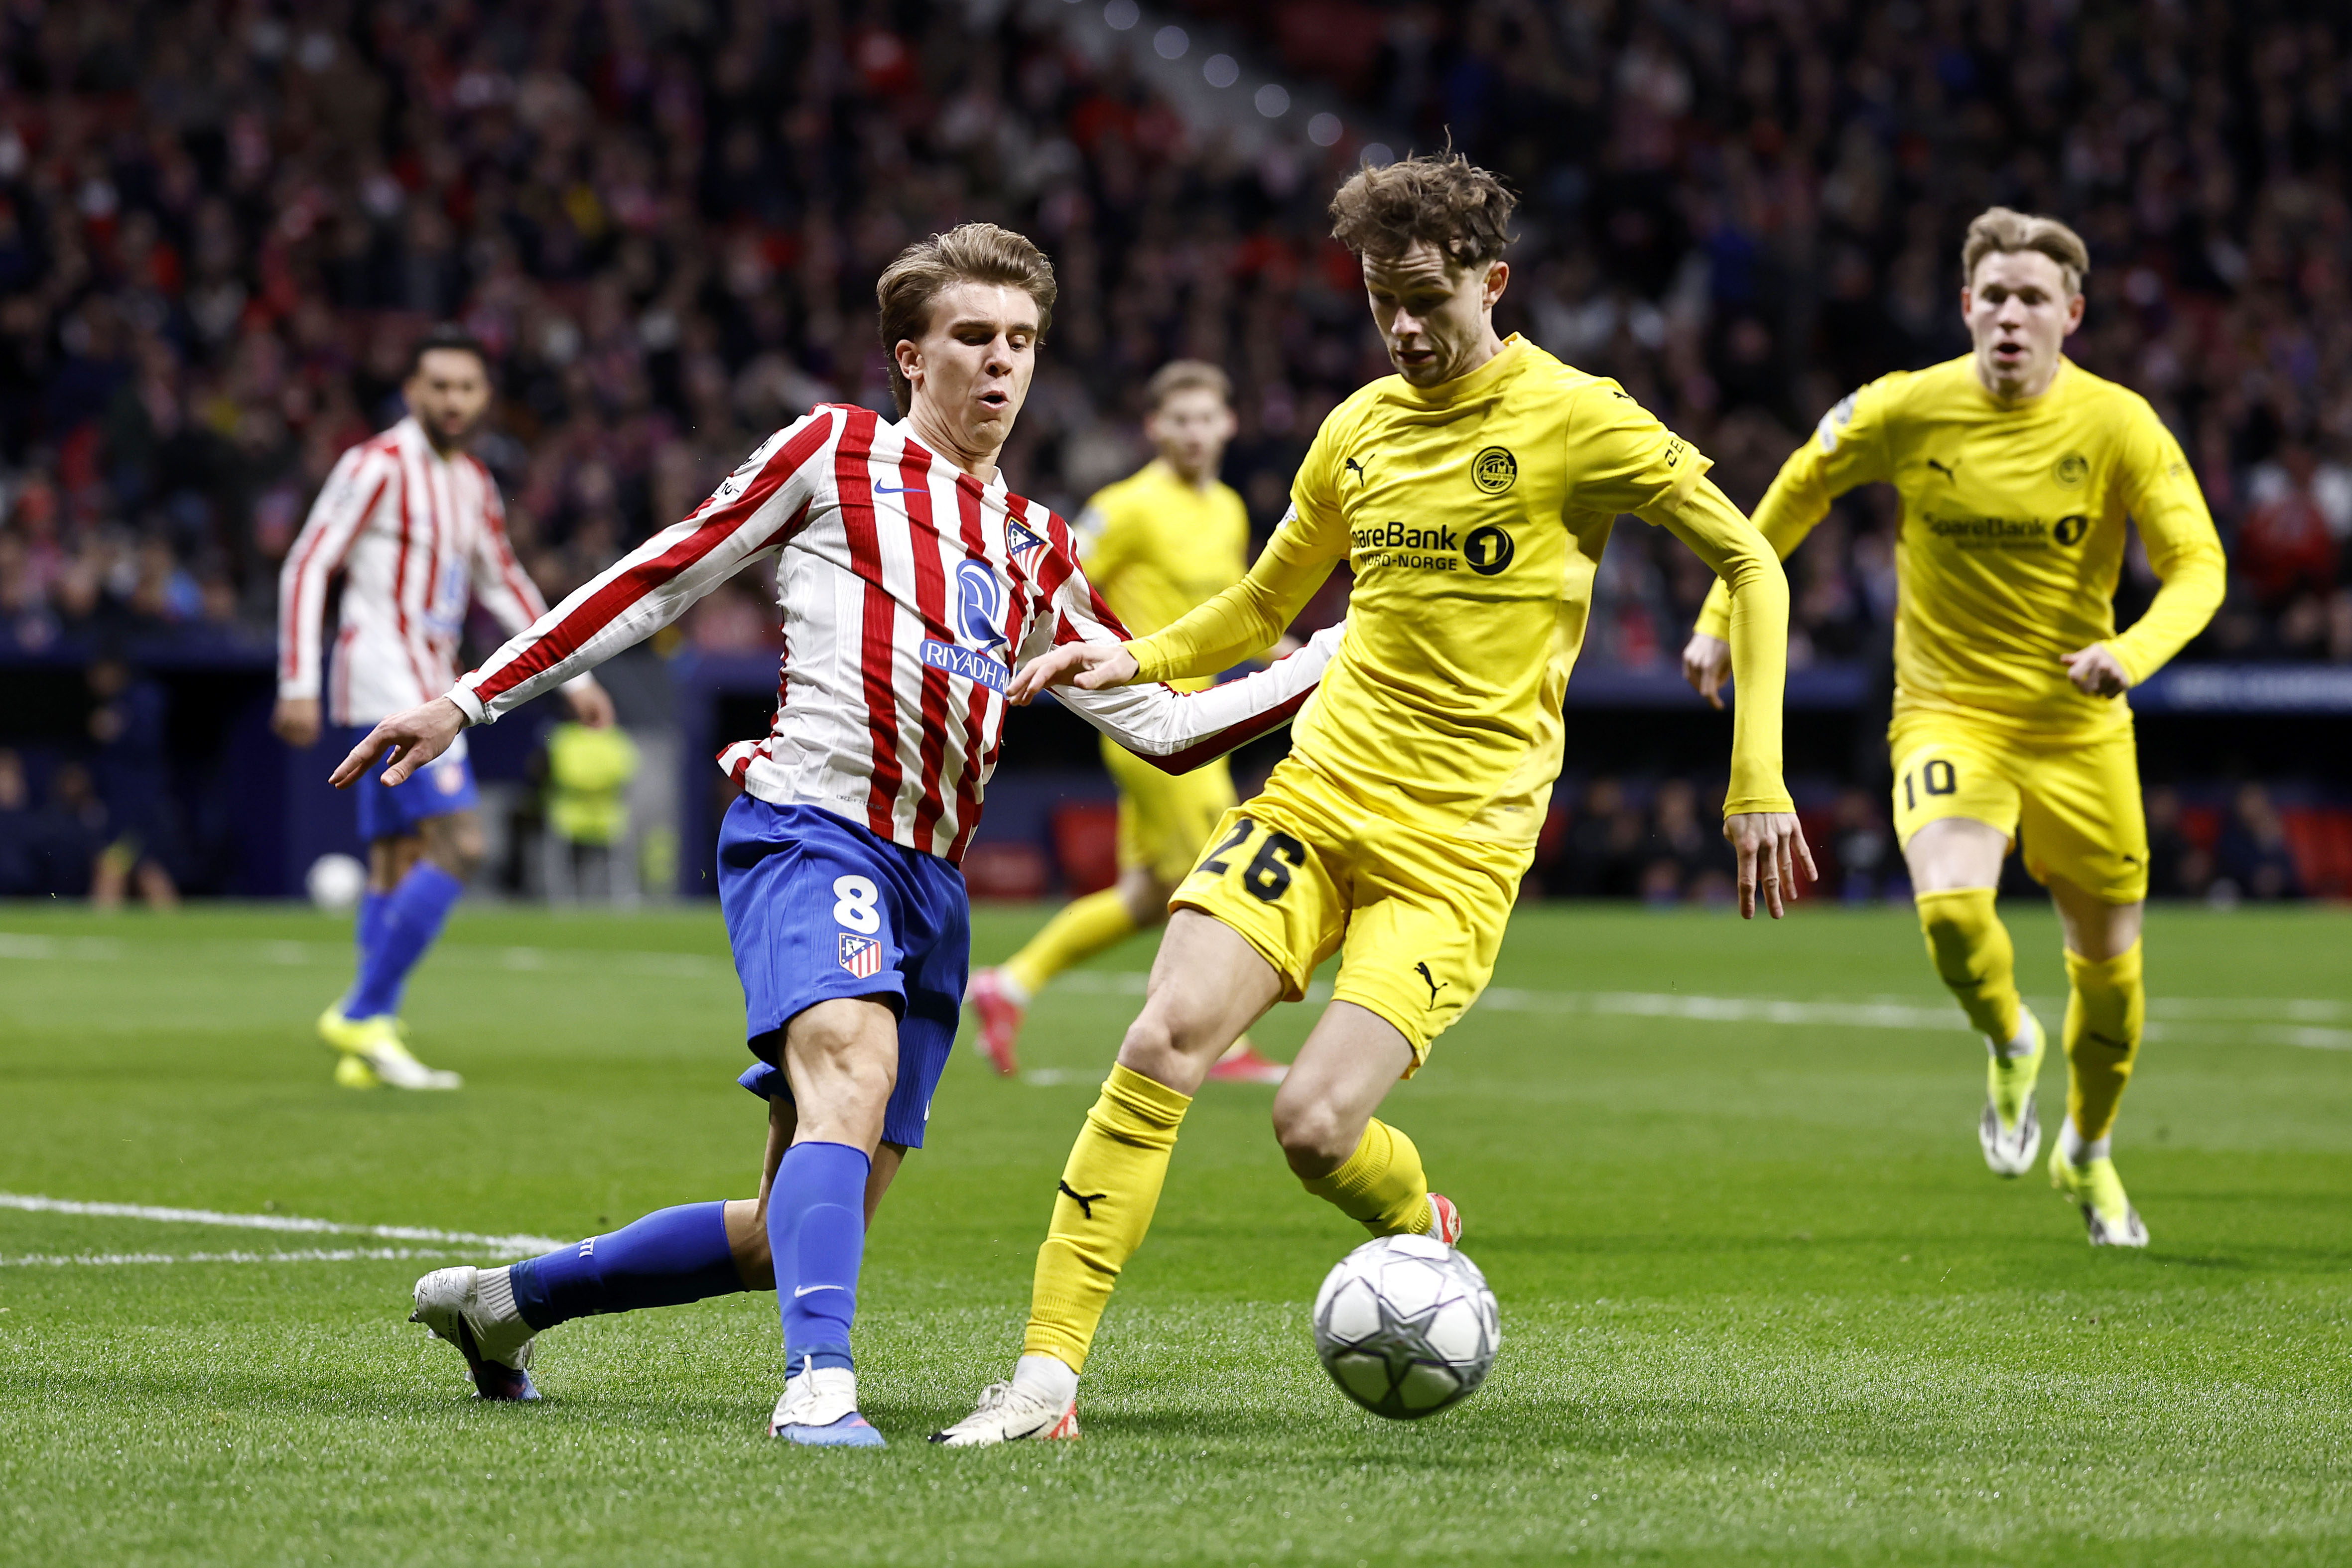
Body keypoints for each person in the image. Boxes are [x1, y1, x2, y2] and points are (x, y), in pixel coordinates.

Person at [332, 224, 1339, 1444]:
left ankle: (504, 1301)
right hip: (811, 826)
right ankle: (818, 1390)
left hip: (933, 882)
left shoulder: (1039, 545)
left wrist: (1335, 658)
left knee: (795, 1224)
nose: (1001, 365)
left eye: (1022, 341)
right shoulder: (836, 450)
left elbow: (1165, 725)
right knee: (848, 1075)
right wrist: (471, 696)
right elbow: (664, 571)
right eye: (974, 337)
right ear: (911, 356)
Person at [933, 152, 1810, 1446]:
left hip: (1456, 850)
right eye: (1376, 301)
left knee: (1311, 1121)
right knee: (1162, 1038)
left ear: (1491, 282)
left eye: (1424, 300)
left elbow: (1751, 559)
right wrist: (1137, 657)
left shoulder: (1581, 419)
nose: (1400, 328)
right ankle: (1045, 1379)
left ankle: (1419, 1226)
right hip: (1318, 798)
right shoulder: (1359, 427)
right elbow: (1261, 608)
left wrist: (1757, 777)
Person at [1682, 207, 2226, 1246]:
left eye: (2034, 298)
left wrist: (2133, 653)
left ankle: (2090, 1149)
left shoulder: (2121, 425)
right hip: (1946, 712)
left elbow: (2201, 567)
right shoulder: (1905, 407)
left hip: (2080, 728)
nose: (2012, 315)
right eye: (1995, 296)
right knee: (1949, 916)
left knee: (2111, 983)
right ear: (1965, 306)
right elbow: (1798, 488)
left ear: (2073, 313)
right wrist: (1719, 612)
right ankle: (2010, 1036)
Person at [275, 324, 616, 1090]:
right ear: (413, 393)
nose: (454, 401)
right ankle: (364, 1009)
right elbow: (308, 563)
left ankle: (372, 1038)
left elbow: (503, 583)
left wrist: (578, 677)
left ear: (484, 397)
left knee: (397, 857)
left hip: (432, 673)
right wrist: (296, 680)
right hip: (385, 675)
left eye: (467, 388)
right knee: (461, 846)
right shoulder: (375, 465)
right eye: (440, 386)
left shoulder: (472, 483)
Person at [966, 359, 1287, 1084]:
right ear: (1154, 429)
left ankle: (1008, 985)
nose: (1195, 433)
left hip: (1202, 721)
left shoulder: (1229, 509)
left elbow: (1230, 616)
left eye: (1207, 419)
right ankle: (1223, 1044)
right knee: (1225, 881)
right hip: (1150, 726)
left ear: (1229, 425)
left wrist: (1294, 653)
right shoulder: (1128, 505)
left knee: (1146, 899)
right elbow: (1052, 571)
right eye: (1180, 420)